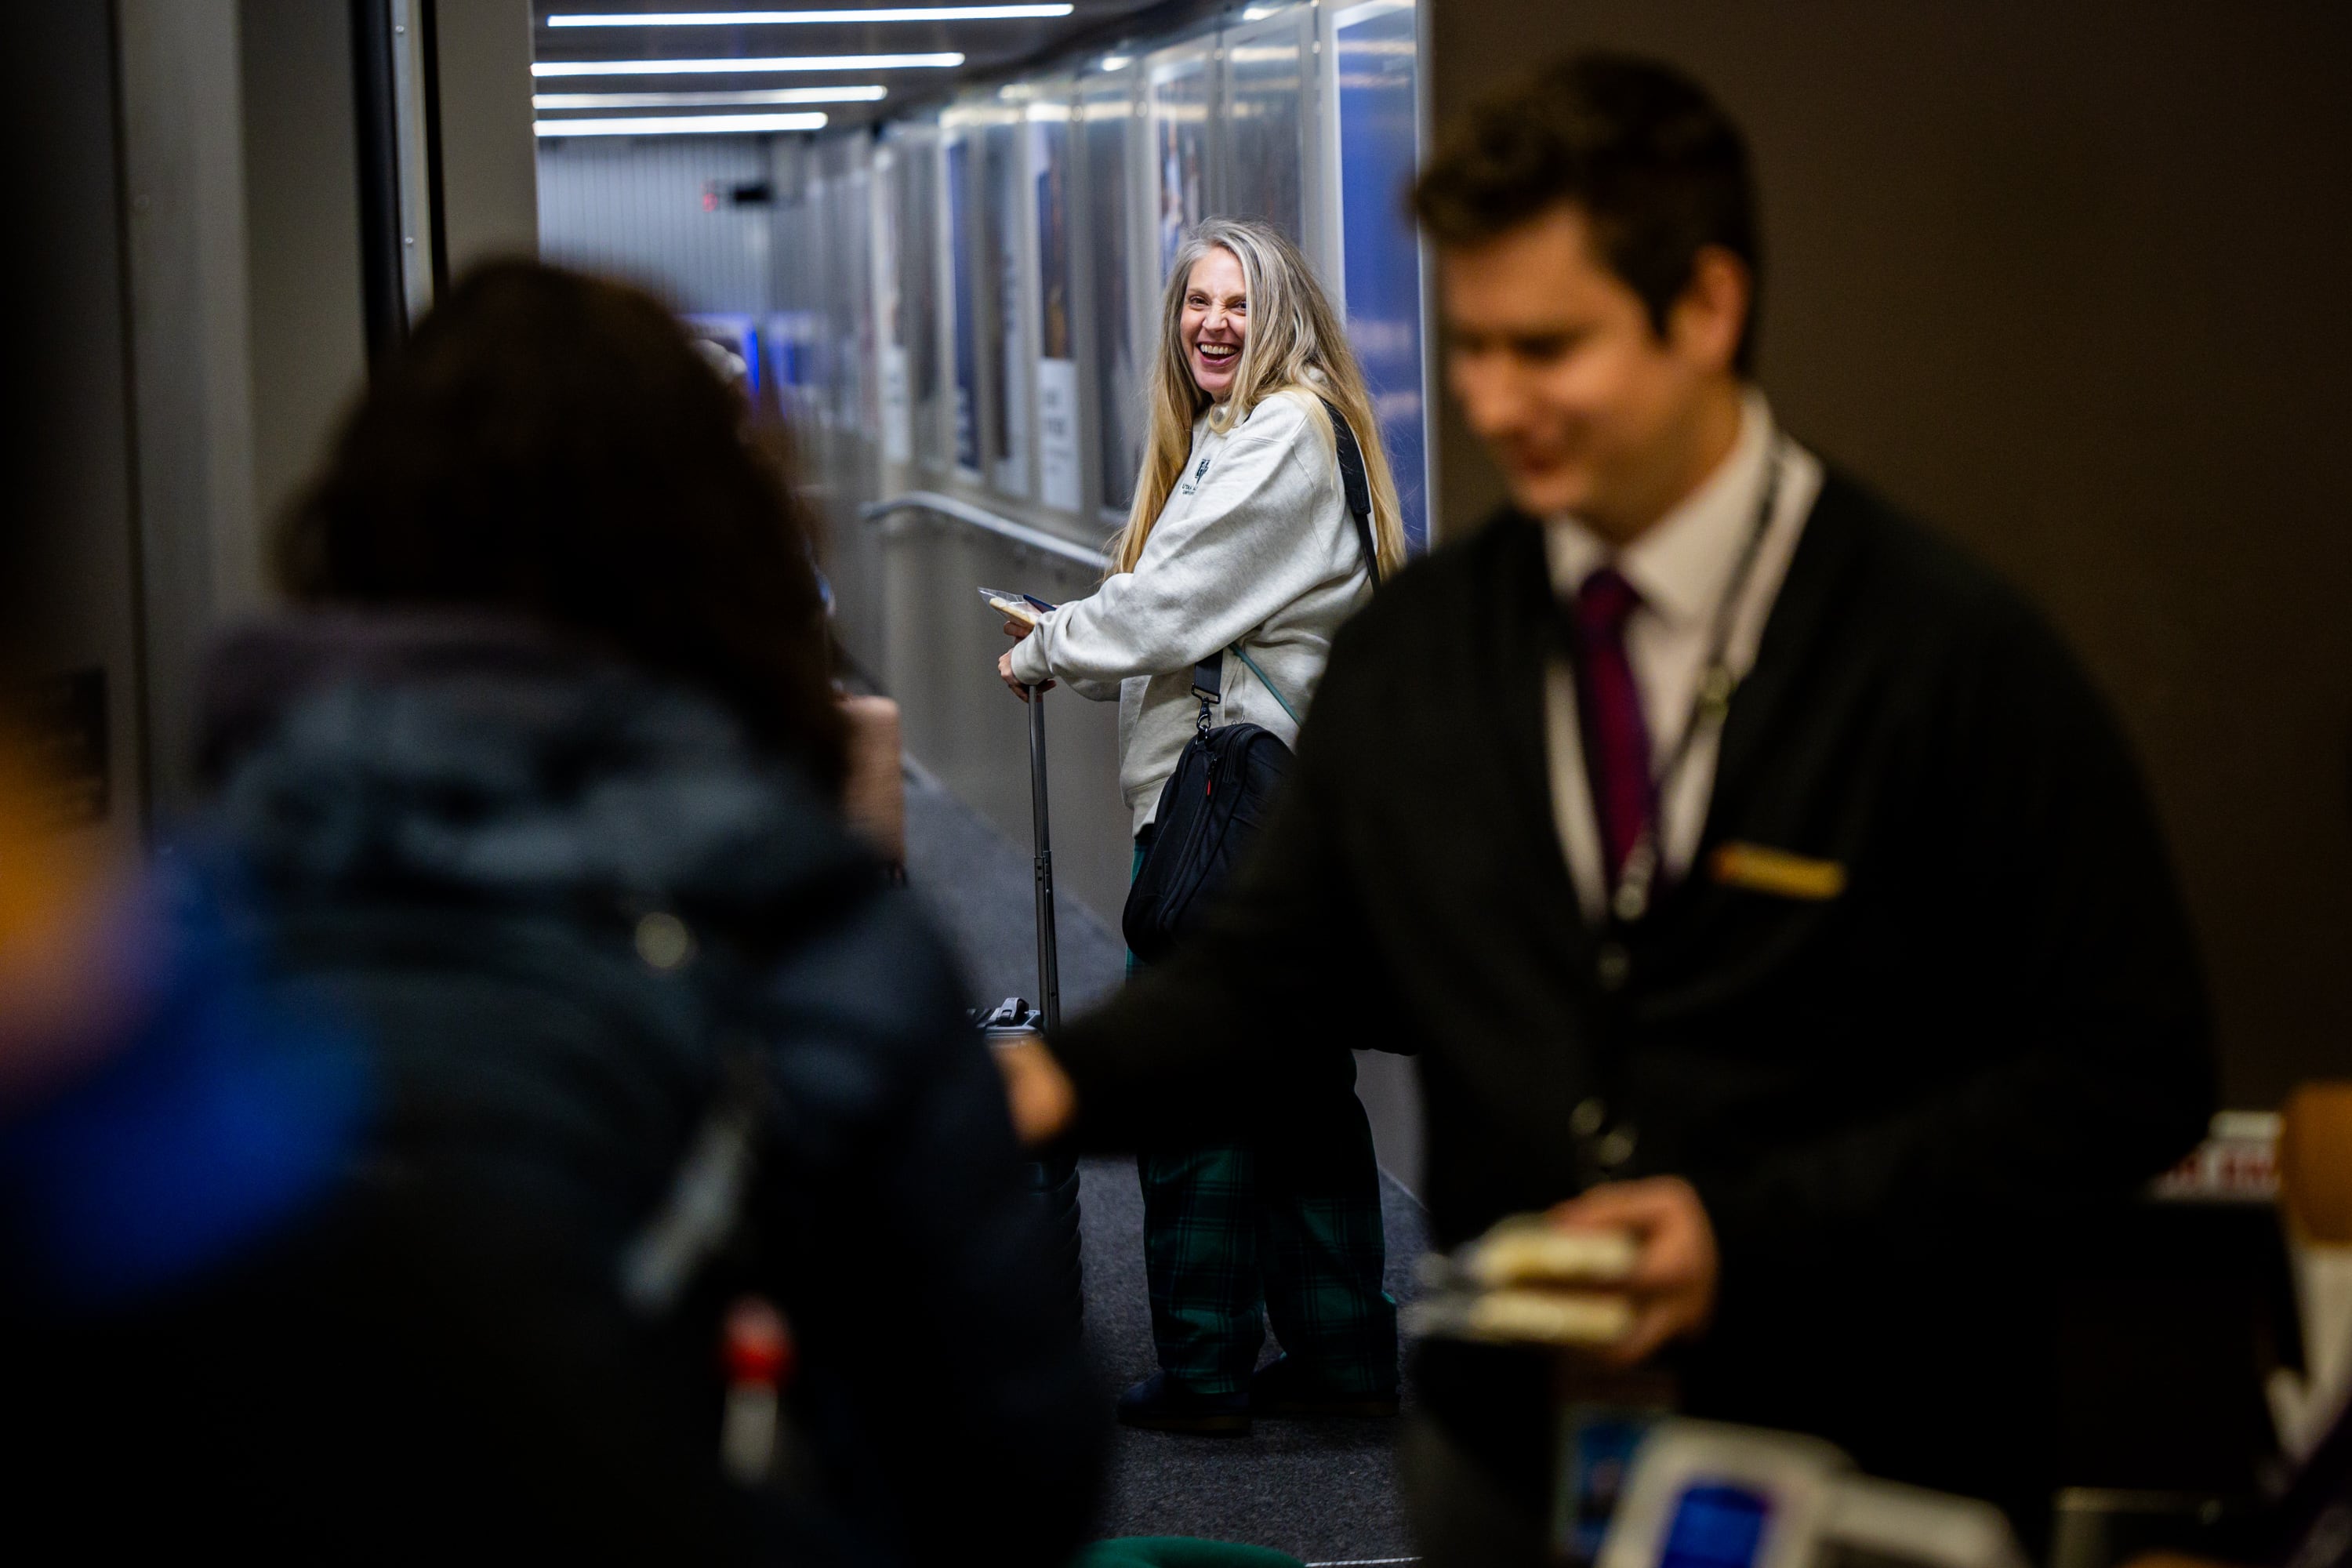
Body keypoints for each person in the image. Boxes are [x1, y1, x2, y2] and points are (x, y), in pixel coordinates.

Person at [1002, 53, 2215, 1554]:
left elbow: (2131, 1066)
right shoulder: (1435, 652)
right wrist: (1044, 1090)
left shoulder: (1939, 656)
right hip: (1515, 1460)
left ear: (1704, 311)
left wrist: (1748, 1234)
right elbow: (1262, 974)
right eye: (1476, 349)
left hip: (1863, 1447)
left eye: (1550, 346)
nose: (1498, 402)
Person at [5, 261, 1103, 1563]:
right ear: (728, 536)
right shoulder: (808, 932)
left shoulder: (181, 925)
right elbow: (1011, 1458)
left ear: (360, 529)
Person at [998, 217, 1409, 1435]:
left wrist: (1049, 645)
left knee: (1193, 1091)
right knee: (1295, 1091)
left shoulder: (1281, 429)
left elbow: (1173, 606)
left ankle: (1205, 1370)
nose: (1214, 324)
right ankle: (1341, 1365)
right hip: (1272, 812)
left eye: (1239, 303)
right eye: (1196, 303)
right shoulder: (1241, 433)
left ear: (1280, 316)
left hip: (1230, 820)